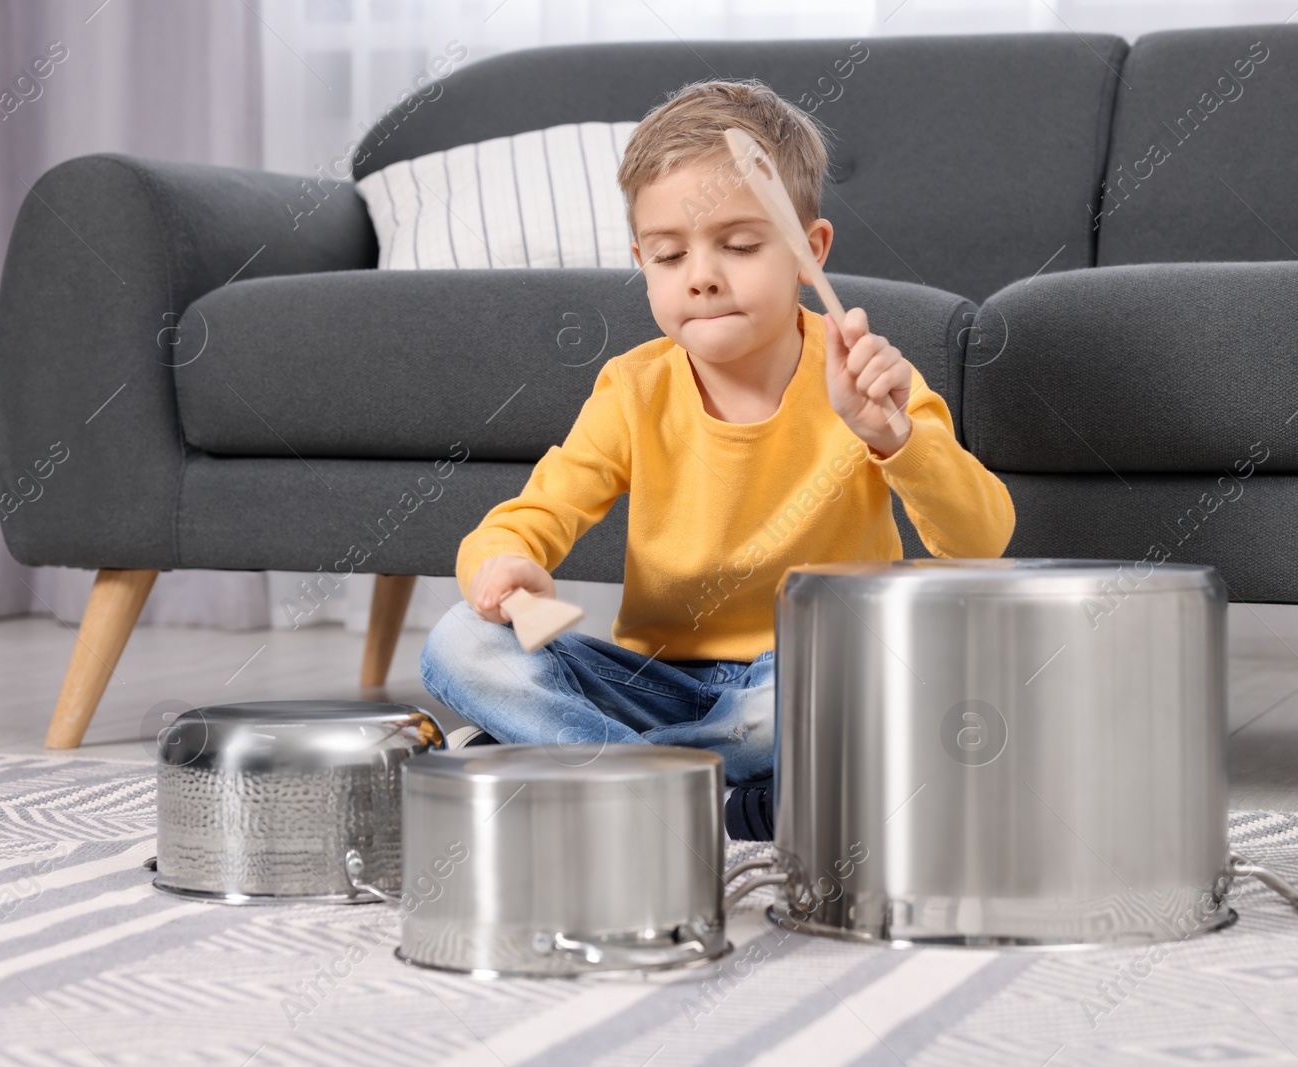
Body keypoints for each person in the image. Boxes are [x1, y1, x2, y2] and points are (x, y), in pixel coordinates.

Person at [419, 77, 1015, 840]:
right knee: (459, 644)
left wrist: (894, 438)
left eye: (737, 245)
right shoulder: (634, 388)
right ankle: (698, 801)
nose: (700, 274)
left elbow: (982, 539)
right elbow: (533, 515)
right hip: (652, 684)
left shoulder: (869, 384)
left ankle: (579, 770)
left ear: (811, 251)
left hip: (799, 683)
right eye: (668, 256)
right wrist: (503, 562)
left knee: (895, 675)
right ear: (642, 261)